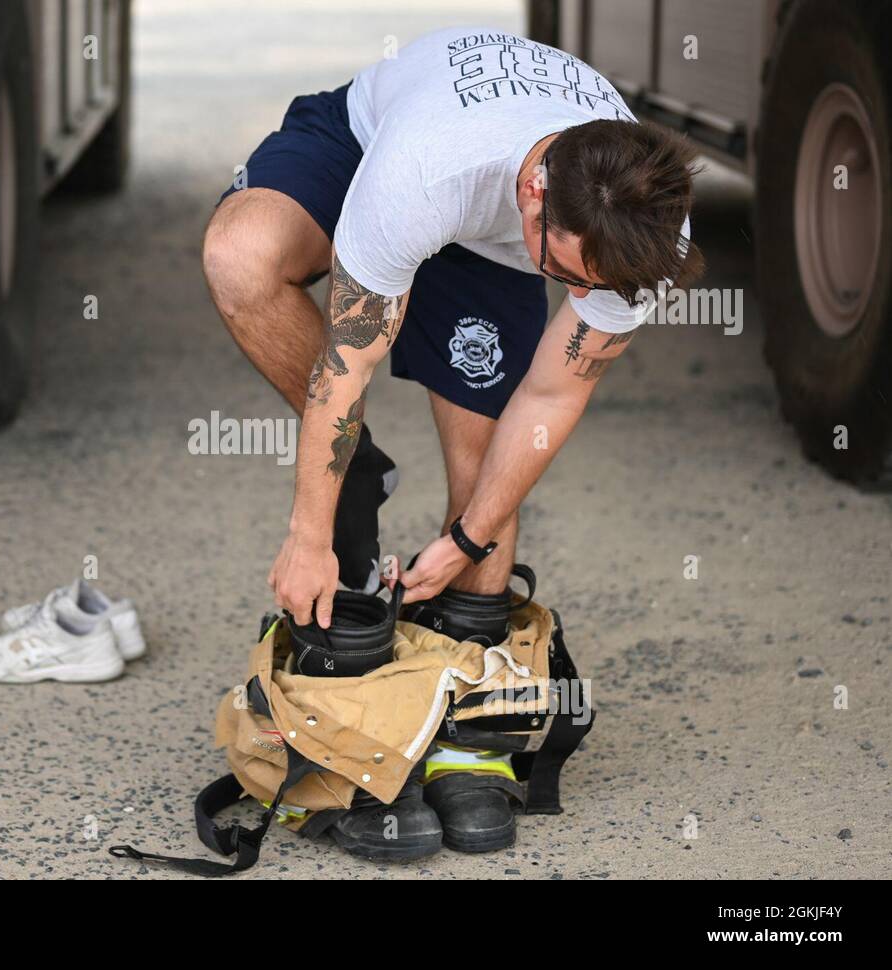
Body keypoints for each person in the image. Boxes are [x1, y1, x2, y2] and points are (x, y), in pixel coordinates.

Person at [202, 24, 702, 852]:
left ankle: (471, 722)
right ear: (538, 194)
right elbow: (345, 365)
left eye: (592, 289)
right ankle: (349, 596)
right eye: (571, 278)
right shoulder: (424, 171)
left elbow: (550, 393)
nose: (579, 296)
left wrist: (469, 534)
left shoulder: (641, 235)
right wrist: (308, 534)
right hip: (374, 143)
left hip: (493, 233)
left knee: (483, 462)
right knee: (240, 255)